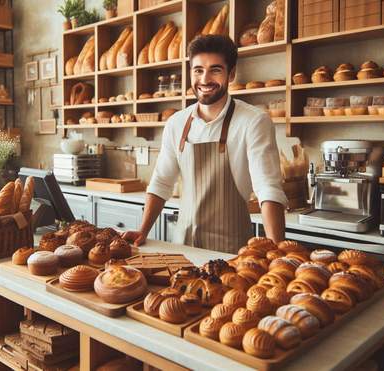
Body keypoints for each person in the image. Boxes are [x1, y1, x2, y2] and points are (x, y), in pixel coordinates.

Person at [122, 34, 287, 253]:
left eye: (215, 70)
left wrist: (277, 253)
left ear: (232, 74)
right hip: (184, 248)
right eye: (198, 70)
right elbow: (162, 182)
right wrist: (143, 230)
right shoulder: (177, 123)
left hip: (233, 254)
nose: (205, 79)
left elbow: (268, 189)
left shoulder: (254, 121)